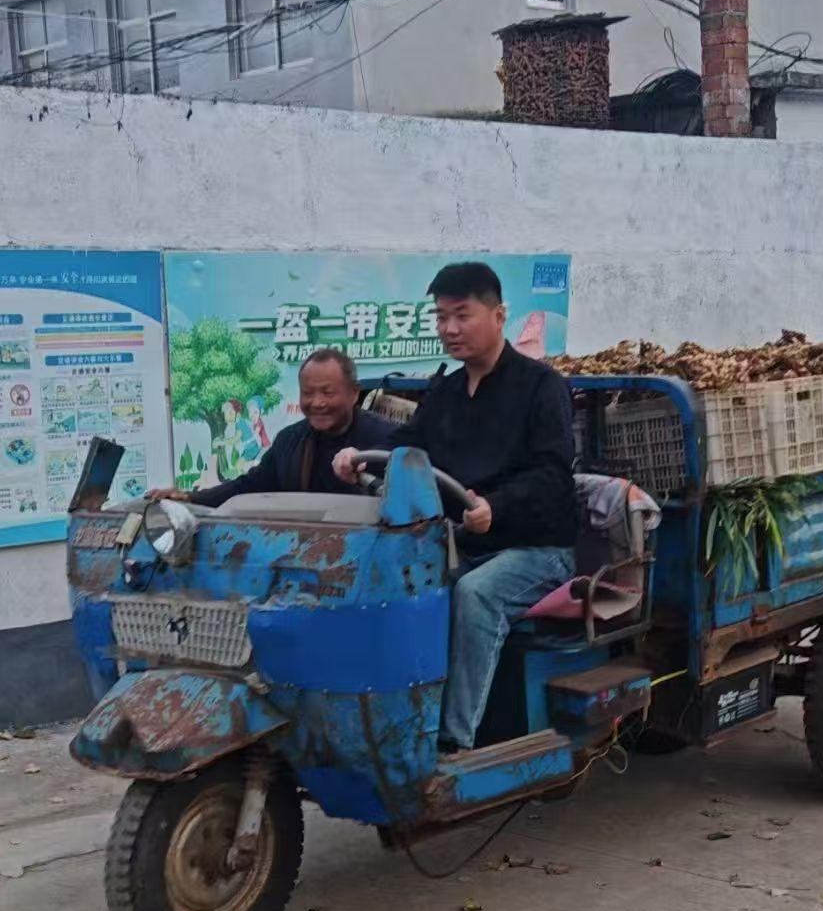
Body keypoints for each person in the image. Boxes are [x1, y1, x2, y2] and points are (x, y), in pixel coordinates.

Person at [334, 262, 577, 751]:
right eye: (441, 317)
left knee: (475, 594)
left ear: (499, 315)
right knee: (391, 581)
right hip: (463, 543)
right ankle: (388, 725)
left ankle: (452, 743)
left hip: (537, 550)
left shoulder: (541, 386)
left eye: (462, 315)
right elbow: (407, 447)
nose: (449, 328)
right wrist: (356, 455)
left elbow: (553, 474)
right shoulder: (445, 391)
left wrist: (495, 507)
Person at [148, 348, 391, 506]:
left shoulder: (387, 440)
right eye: (308, 393)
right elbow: (250, 485)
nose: (317, 403)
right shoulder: (290, 441)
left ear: (354, 393)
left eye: (328, 393)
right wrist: (190, 498)